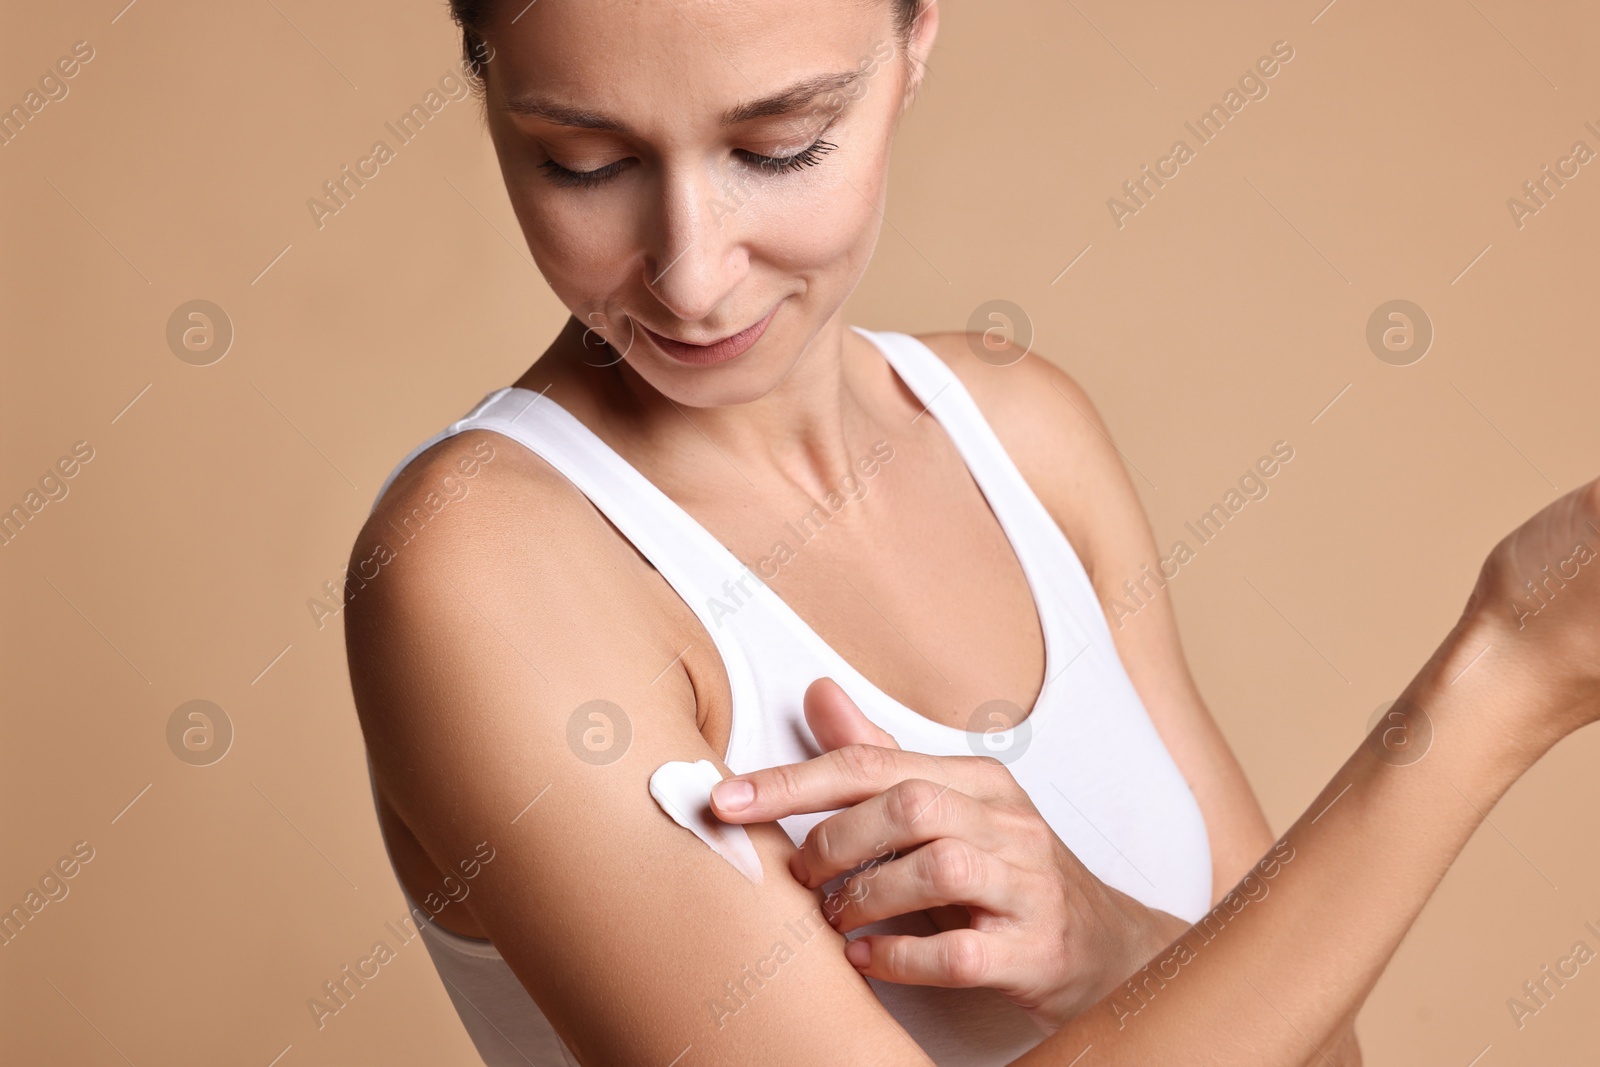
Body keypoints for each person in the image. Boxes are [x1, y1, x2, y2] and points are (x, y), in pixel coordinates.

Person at [343, 1, 1600, 1063]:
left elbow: (1317, 1049)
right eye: (584, 161)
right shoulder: (482, 565)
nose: (690, 271)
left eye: (780, 145)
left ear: (916, 39)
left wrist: (1106, 940)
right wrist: (1504, 675)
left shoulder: (1020, 430)